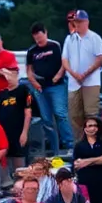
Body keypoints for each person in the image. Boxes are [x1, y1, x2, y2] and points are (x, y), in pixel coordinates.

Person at [61, 10, 102, 147]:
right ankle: (80, 145)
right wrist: (74, 74)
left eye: (80, 21)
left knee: (91, 113)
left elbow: (100, 57)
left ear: (87, 22)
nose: (77, 24)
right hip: (74, 83)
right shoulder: (70, 38)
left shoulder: (95, 38)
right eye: (76, 22)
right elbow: (64, 59)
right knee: (74, 115)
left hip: (91, 82)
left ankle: (95, 143)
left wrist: (85, 73)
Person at [26, 22, 69, 155]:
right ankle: (54, 149)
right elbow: (29, 70)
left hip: (57, 85)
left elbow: (64, 62)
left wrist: (59, 75)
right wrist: (33, 82)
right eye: (36, 38)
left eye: (40, 36)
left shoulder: (55, 46)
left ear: (45, 33)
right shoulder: (32, 51)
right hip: (40, 87)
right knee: (46, 119)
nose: (39, 40)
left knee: (60, 113)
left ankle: (69, 143)